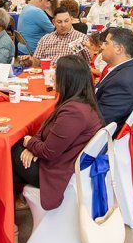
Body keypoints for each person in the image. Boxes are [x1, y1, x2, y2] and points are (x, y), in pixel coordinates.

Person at [11, 55, 103, 209]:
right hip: (59, 160)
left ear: (67, 79)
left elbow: (48, 152)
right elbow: (45, 129)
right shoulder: (79, 102)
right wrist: (32, 145)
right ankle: (12, 202)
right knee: (16, 156)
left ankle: (4, 206)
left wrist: (29, 143)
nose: (53, 76)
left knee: (11, 150)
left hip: (55, 173)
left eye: (56, 72)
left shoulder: (74, 112)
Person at [95, 28, 133, 135]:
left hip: (105, 135)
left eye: (106, 43)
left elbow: (101, 120)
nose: (102, 46)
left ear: (118, 49)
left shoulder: (122, 82)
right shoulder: (126, 68)